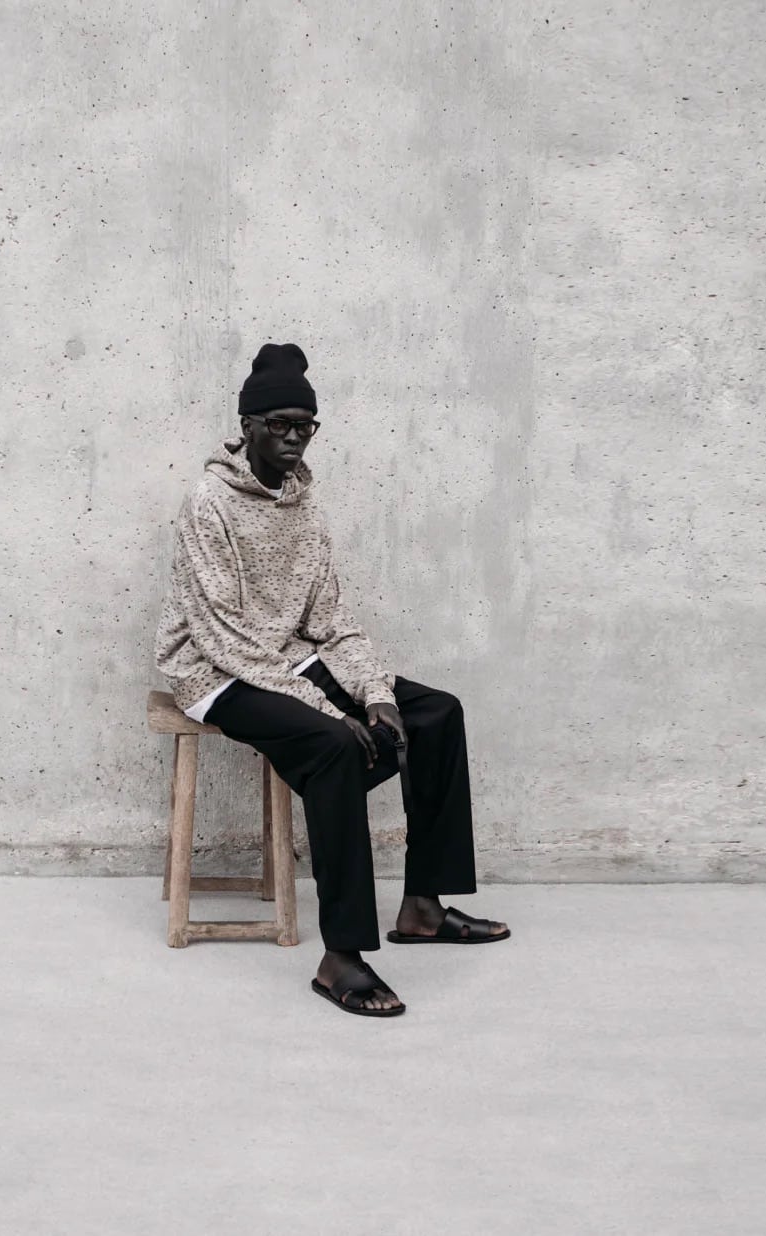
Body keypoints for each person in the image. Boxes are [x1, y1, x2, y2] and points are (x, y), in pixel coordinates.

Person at [154, 342, 510, 1017]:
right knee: (334, 745)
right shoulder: (208, 503)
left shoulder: (306, 506)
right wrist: (324, 706)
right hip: (213, 670)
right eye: (279, 424)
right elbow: (223, 634)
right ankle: (341, 956)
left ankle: (423, 907)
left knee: (435, 713)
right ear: (247, 425)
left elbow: (330, 619)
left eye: (305, 426)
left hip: (284, 657)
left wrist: (375, 694)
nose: (293, 439)